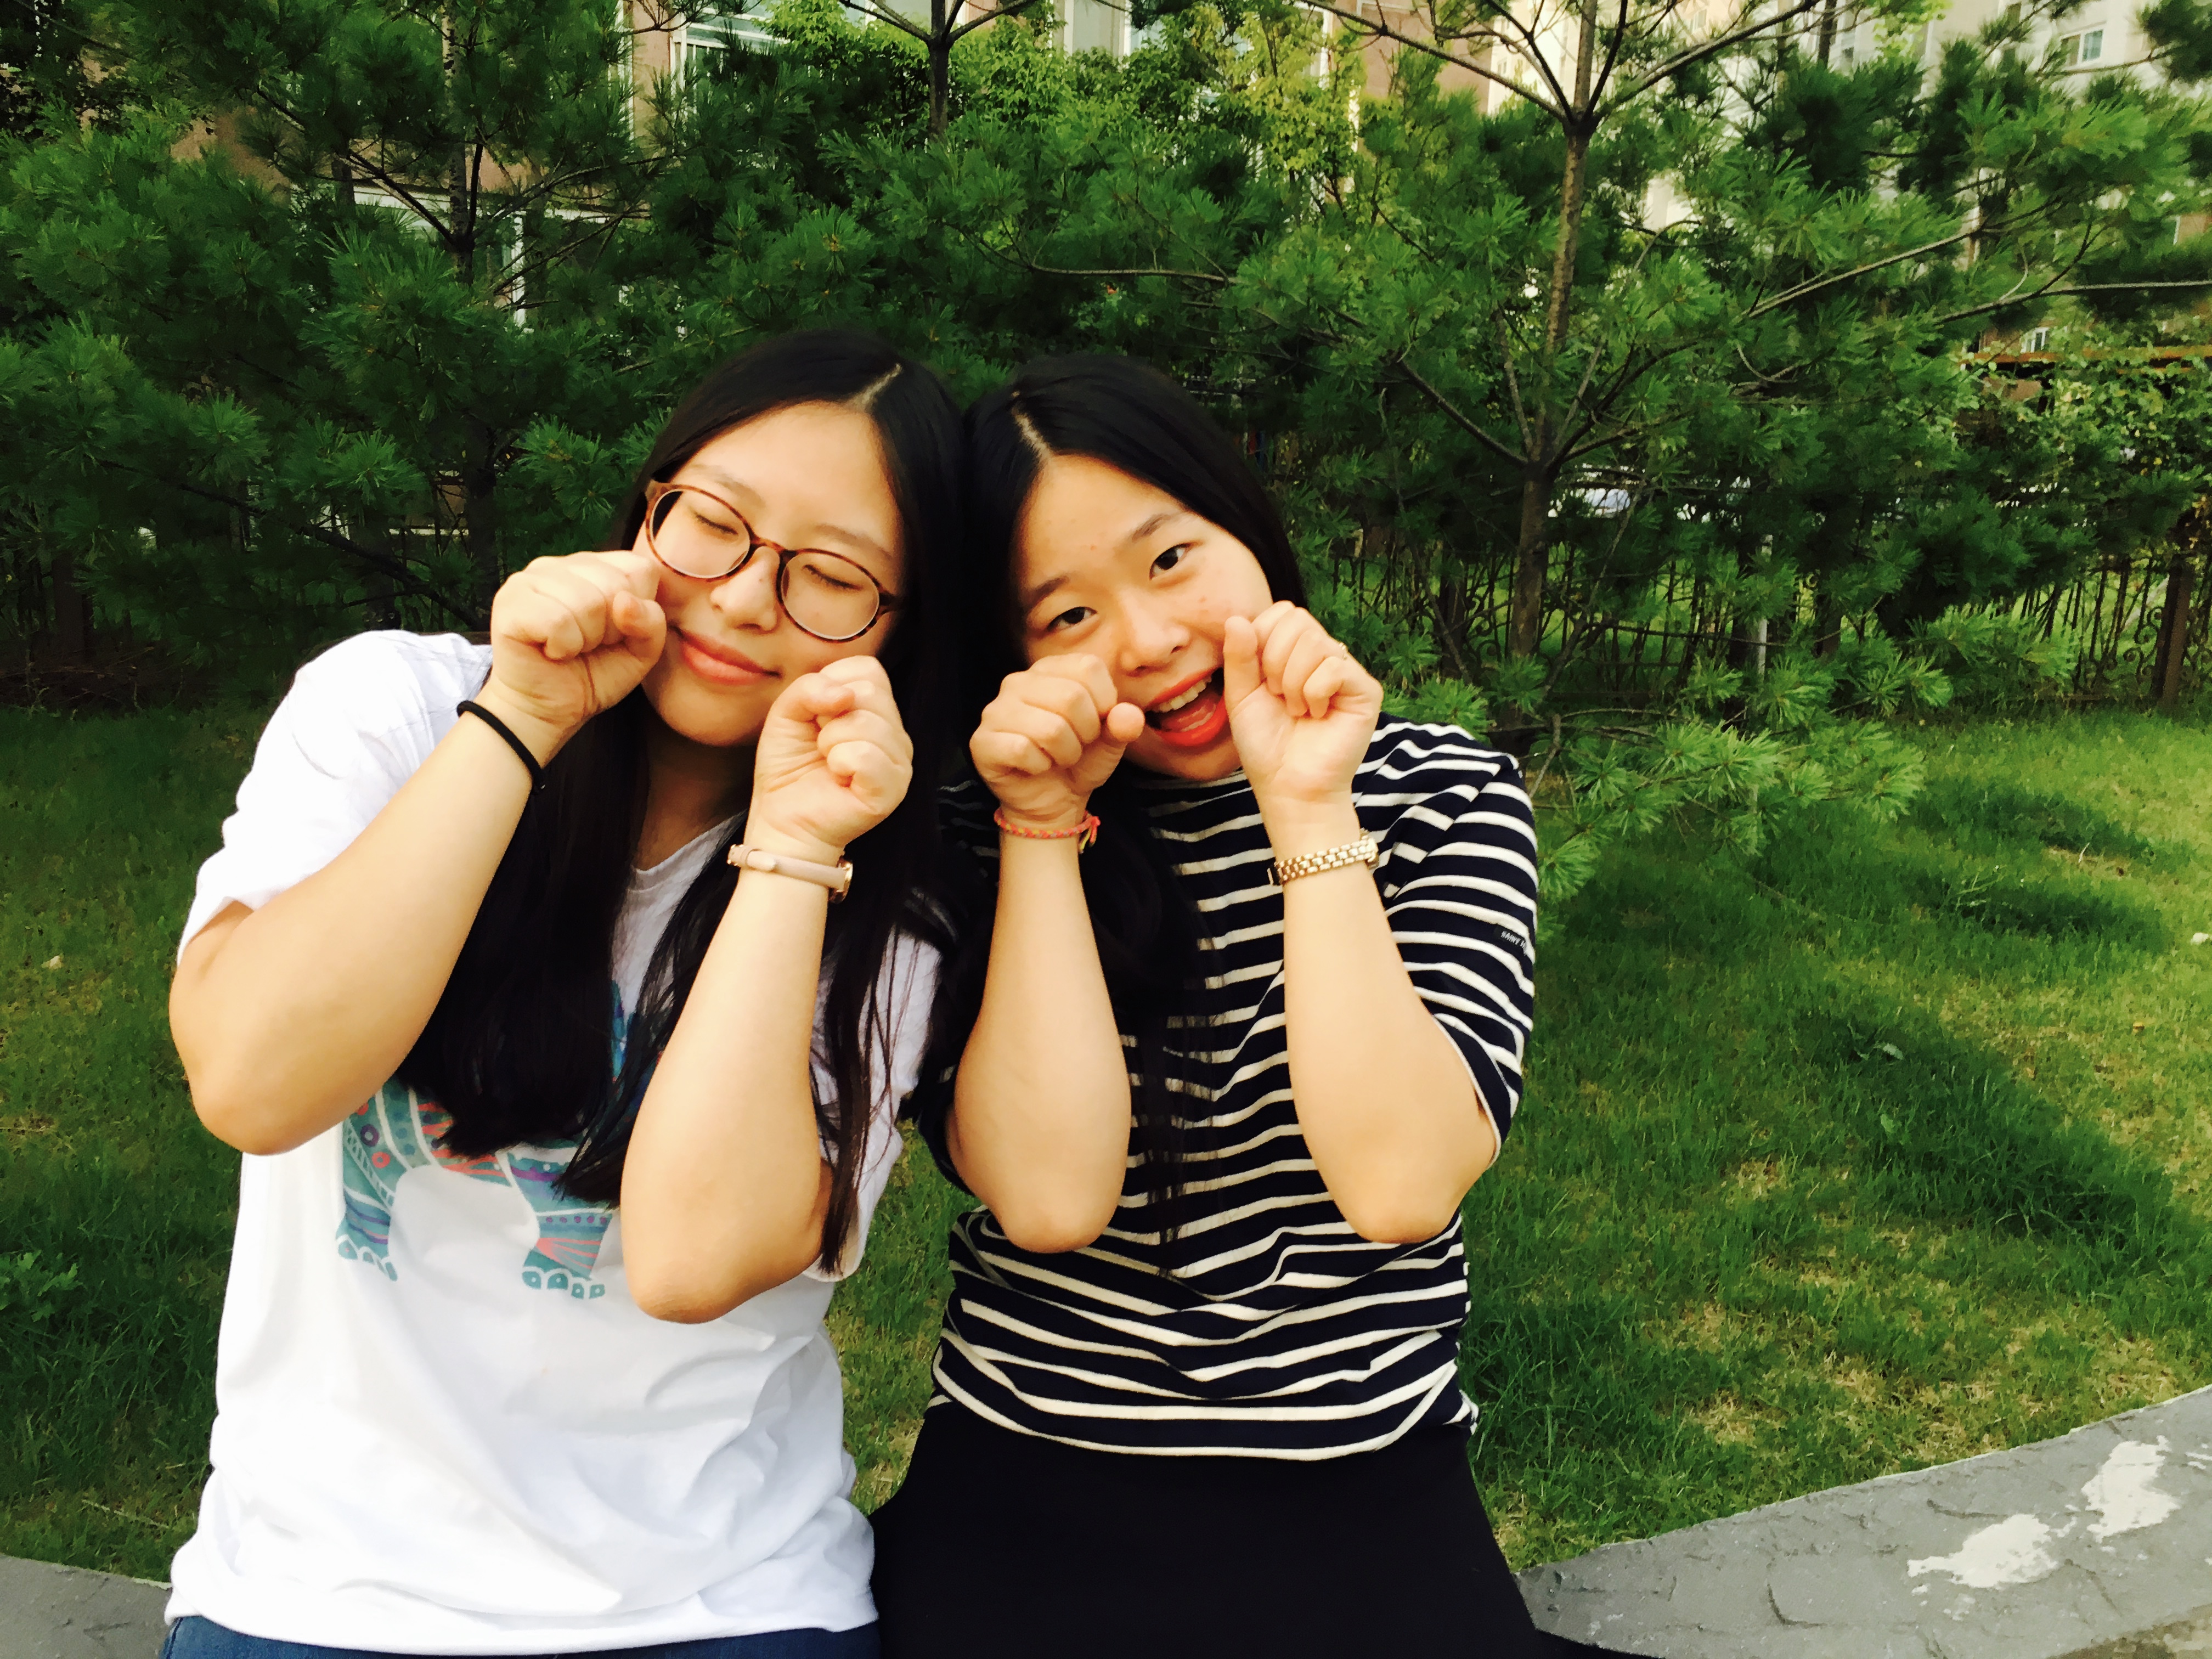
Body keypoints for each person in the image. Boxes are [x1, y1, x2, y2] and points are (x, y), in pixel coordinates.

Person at [163, 330, 961, 1657]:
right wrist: (523, 718)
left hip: (719, 1607)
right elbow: (254, 1081)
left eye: (833, 576)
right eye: (713, 523)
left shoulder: (886, 890)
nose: (746, 597)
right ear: (645, 510)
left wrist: (793, 846)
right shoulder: (398, 710)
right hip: (321, 1594)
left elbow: (696, 1262)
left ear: (903, 629)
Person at [871, 355, 1602, 1658]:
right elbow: (1046, 1200)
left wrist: (1309, 808)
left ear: (1248, 529)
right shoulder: (970, 830)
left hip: (1365, 1477)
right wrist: (1041, 829)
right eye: (1066, 615)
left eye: (1170, 561)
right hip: (1029, 1474)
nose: (1149, 640)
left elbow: (1402, 1183)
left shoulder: (1440, 796)